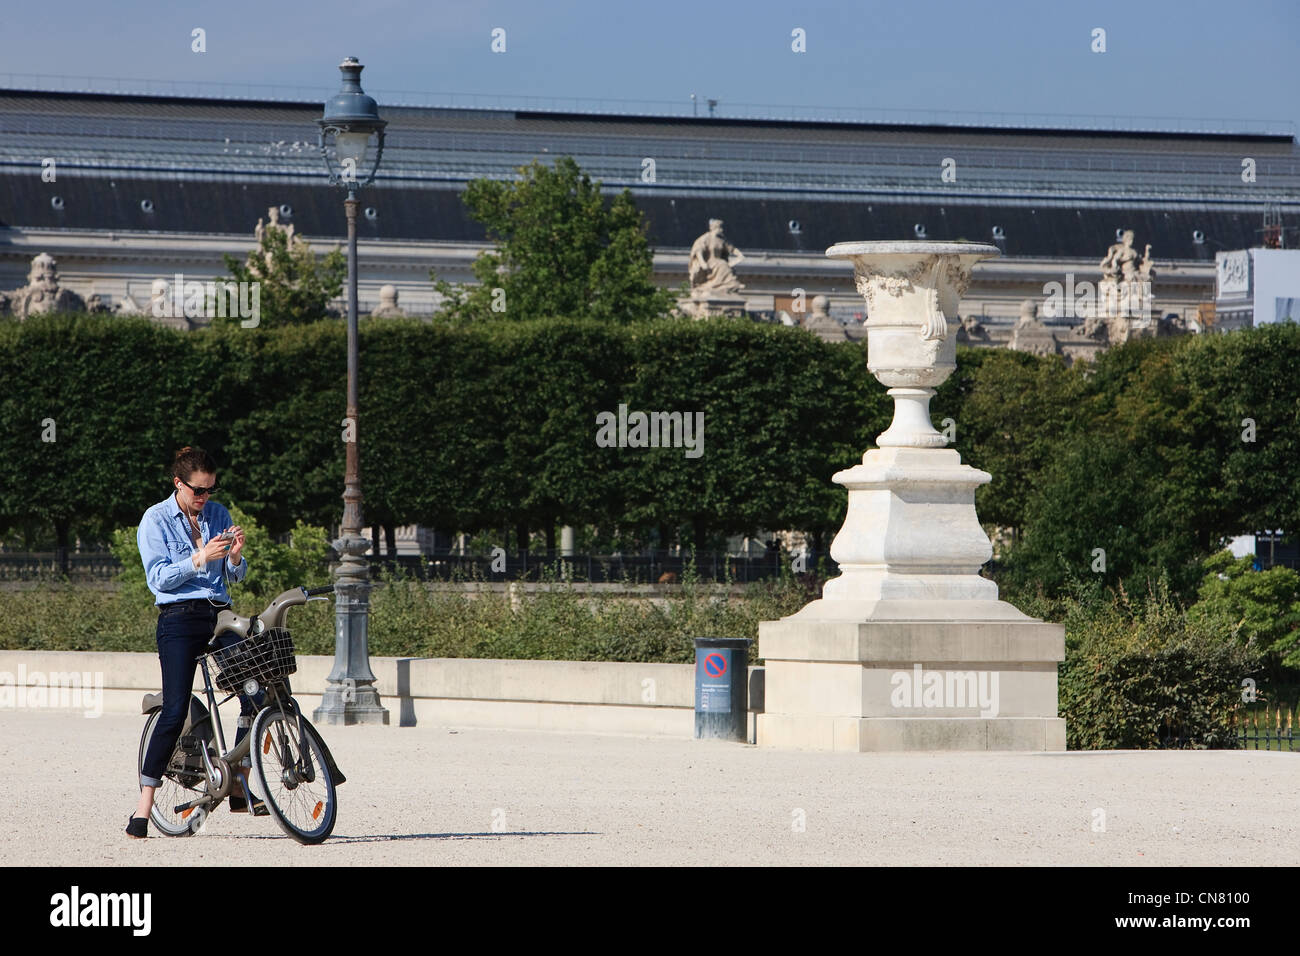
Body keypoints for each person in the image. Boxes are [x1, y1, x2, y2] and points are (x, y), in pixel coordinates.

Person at [127, 446, 259, 838]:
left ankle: (238, 781)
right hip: (179, 617)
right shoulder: (155, 519)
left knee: (254, 689)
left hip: (220, 614)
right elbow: (159, 579)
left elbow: (235, 577)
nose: (204, 498)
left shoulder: (218, 514)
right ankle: (143, 809)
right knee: (174, 709)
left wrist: (235, 558)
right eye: (198, 491)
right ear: (178, 484)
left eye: (210, 490)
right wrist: (200, 558)